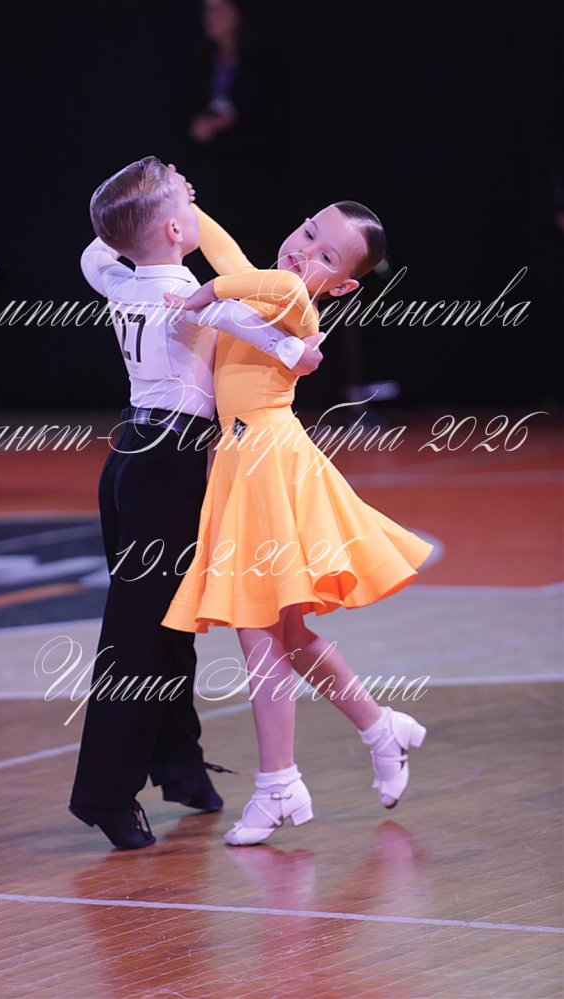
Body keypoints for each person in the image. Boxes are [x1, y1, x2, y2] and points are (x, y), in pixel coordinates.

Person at [69, 157, 323, 850]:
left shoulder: (117, 276)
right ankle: (104, 795)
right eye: (189, 204)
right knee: (139, 635)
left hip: (129, 461)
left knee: (169, 625)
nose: (196, 207)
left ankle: (179, 767)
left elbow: (99, 248)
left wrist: (143, 201)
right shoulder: (190, 292)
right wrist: (299, 350)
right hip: (167, 469)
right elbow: (266, 333)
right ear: (178, 231)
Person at [162, 200, 433, 845]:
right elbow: (229, 257)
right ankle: (380, 728)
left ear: (341, 287)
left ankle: (278, 784)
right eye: (308, 232)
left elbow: (236, 278)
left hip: (267, 465)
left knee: (260, 634)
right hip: (249, 459)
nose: (304, 250)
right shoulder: (271, 288)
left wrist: (199, 297)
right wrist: (184, 205)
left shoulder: (291, 299)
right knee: (285, 634)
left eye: (326, 255)